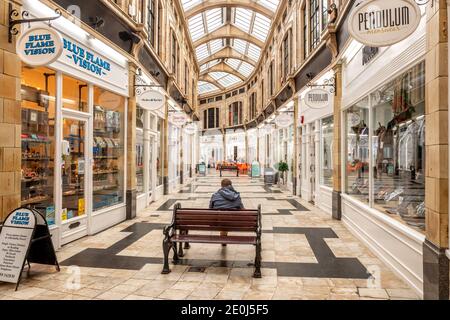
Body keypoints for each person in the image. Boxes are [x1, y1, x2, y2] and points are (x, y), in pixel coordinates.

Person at [209, 179, 244, 246]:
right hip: (233, 222)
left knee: (222, 218)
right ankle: (224, 239)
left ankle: (223, 239)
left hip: (218, 221)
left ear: (221, 186)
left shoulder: (215, 195)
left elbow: (211, 208)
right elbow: (242, 209)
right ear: (231, 185)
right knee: (227, 218)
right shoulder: (236, 196)